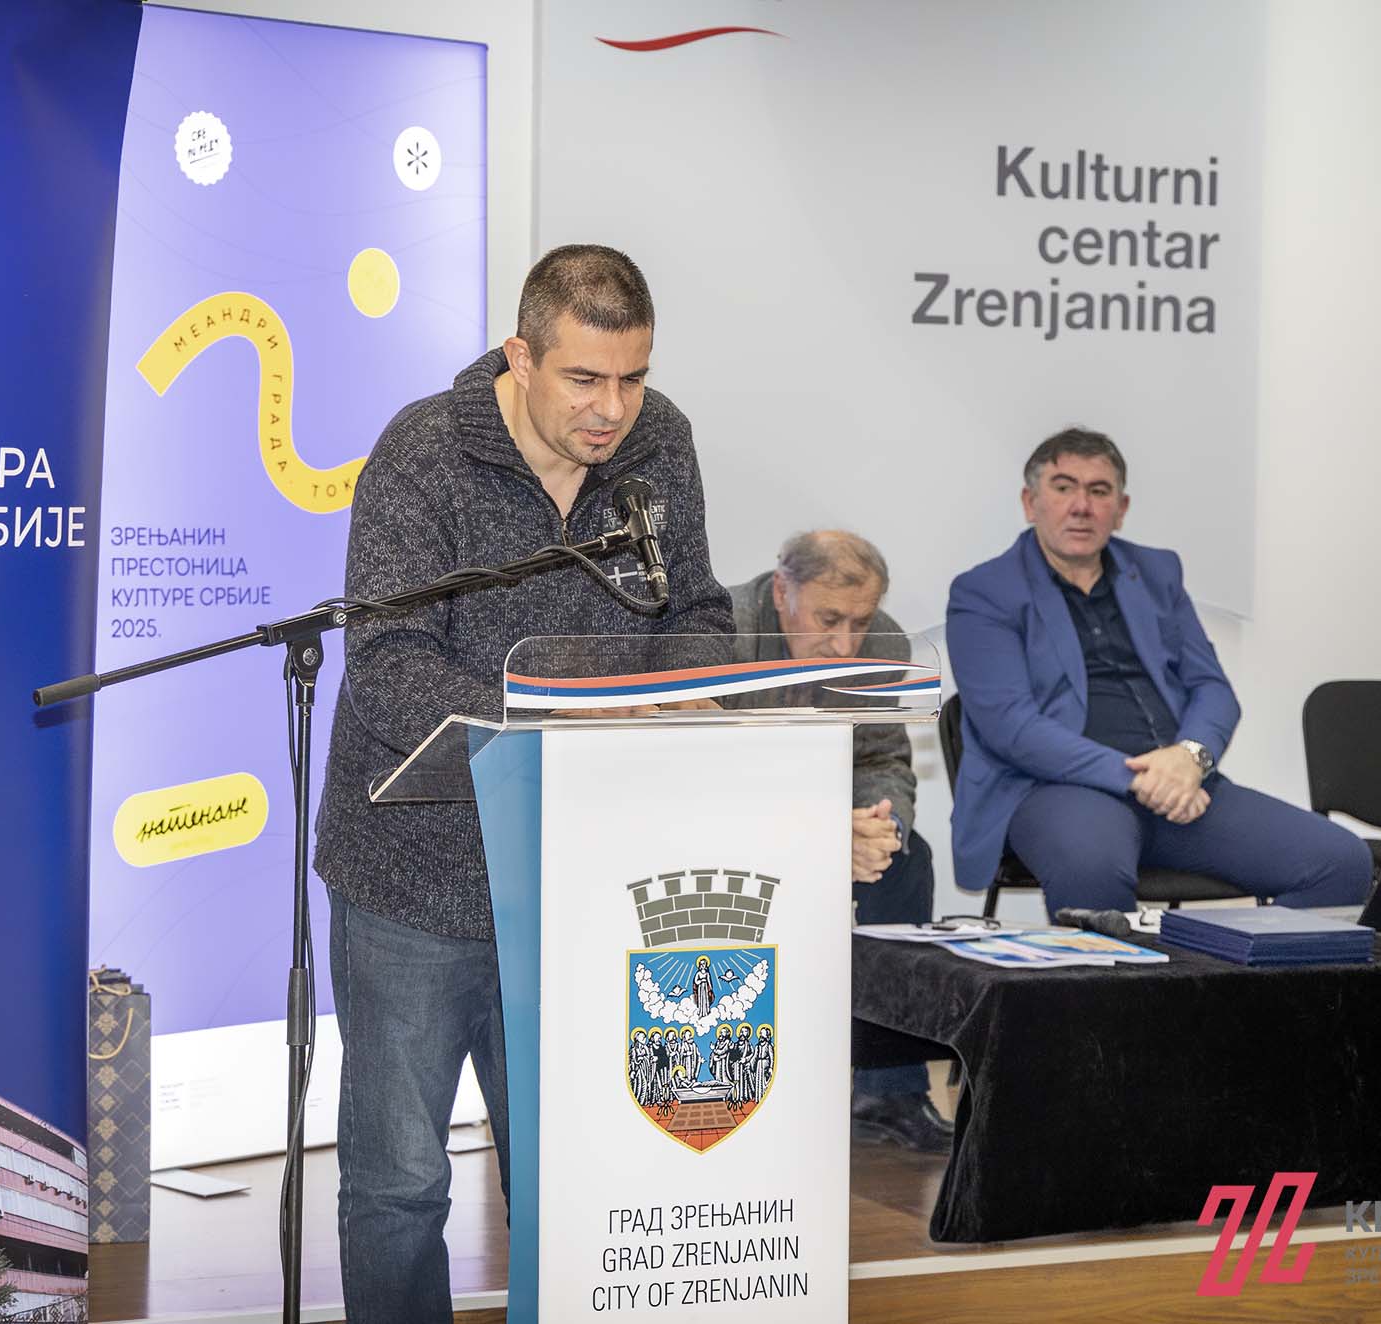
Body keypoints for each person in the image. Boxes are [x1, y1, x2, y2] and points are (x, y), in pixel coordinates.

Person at [313, 245, 734, 1324]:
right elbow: (390, 666)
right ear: (520, 355)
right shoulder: (422, 453)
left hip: (581, 873)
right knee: (401, 1183)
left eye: (632, 377)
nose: (612, 410)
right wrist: (566, 723)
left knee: (569, 1173)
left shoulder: (660, 443)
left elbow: (695, 611)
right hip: (415, 876)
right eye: (584, 379)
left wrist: (679, 695)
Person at [946, 427, 1372, 916]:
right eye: (1063, 488)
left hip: (1179, 784)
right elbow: (1011, 728)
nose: (1081, 506)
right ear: (1030, 502)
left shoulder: (1156, 573)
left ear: (1121, 509)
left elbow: (1212, 689)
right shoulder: (985, 591)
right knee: (1092, 866)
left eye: (1099, 491)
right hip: (1055, 789)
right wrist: (1139, 778)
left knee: (1340, 862)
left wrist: (1190, 759)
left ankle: (1228, 961)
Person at [730, 531, 951, 1152]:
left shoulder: (884, 643)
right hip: (730, 819)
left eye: (861, 621)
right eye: (829, 620)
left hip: (828, 818)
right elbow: (706, 770)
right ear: (782, 592)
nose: (846, 643)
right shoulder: (723, 631)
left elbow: (881, 758)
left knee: (907, 860)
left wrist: (882, 825)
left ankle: (890, 1088)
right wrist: (820, 831)